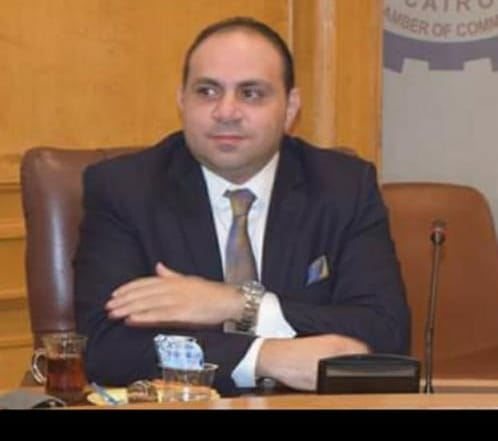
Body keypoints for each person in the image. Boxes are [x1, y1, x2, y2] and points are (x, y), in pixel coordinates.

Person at [74, 16, 410, 396]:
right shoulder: (124, 190)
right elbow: (105, 349)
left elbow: (387, 334)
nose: (226, 112)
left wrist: (237, 304)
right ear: (182, 101)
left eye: (251, 94)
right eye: (207, 91)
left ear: (290, 108)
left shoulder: (344, 187)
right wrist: (264, 357)